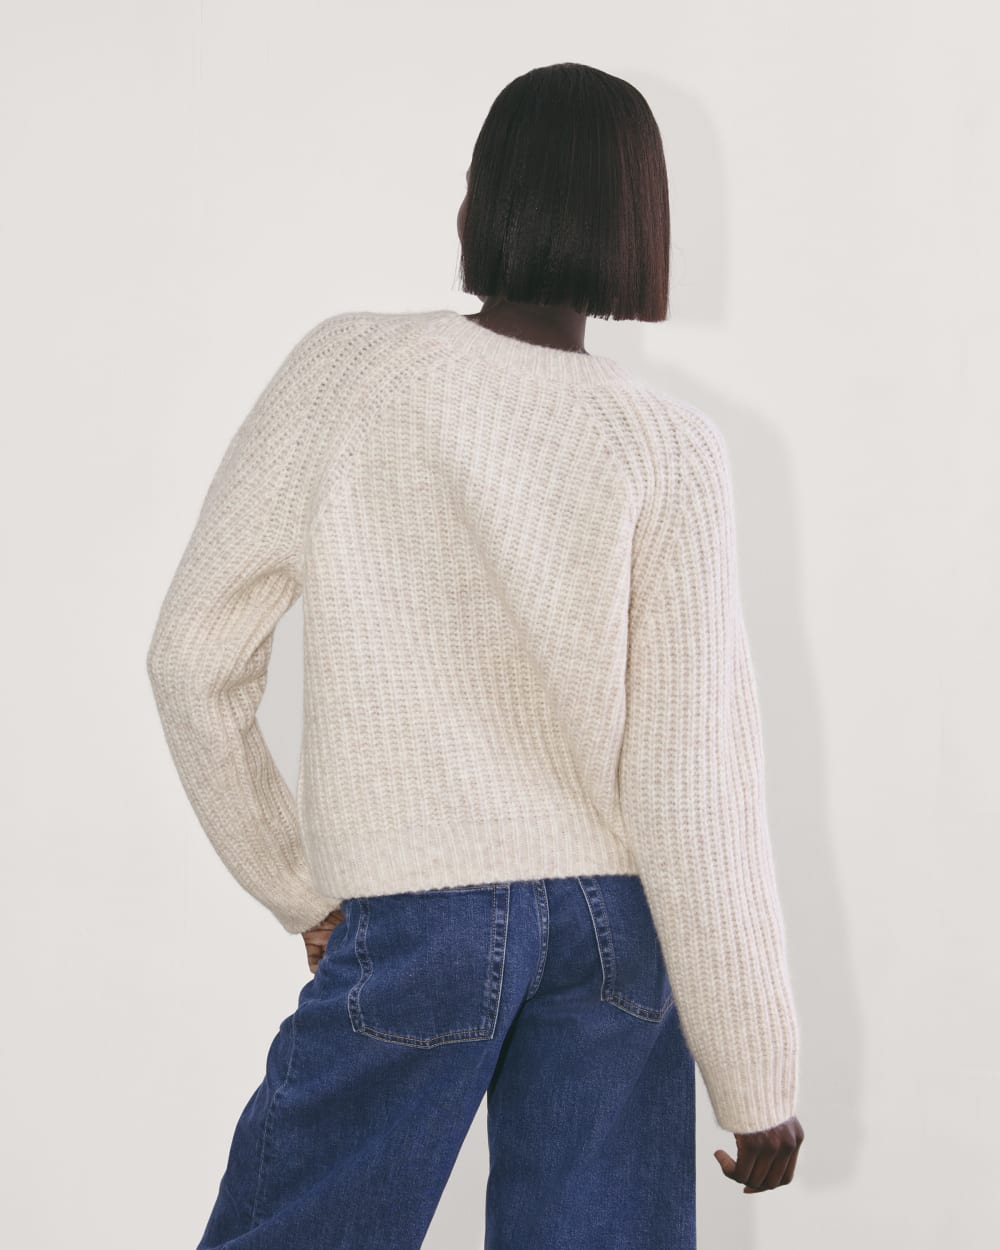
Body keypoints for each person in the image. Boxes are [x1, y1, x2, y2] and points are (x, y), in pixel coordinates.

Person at [146, 61, 804, 1250]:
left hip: (421, 917)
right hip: (616, 933)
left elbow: (193, 657)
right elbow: (693, 781)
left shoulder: (351, 372)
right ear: (642, 226)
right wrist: (758, 1077)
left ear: (480, 201)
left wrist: (299, 886)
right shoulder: (668, 449)